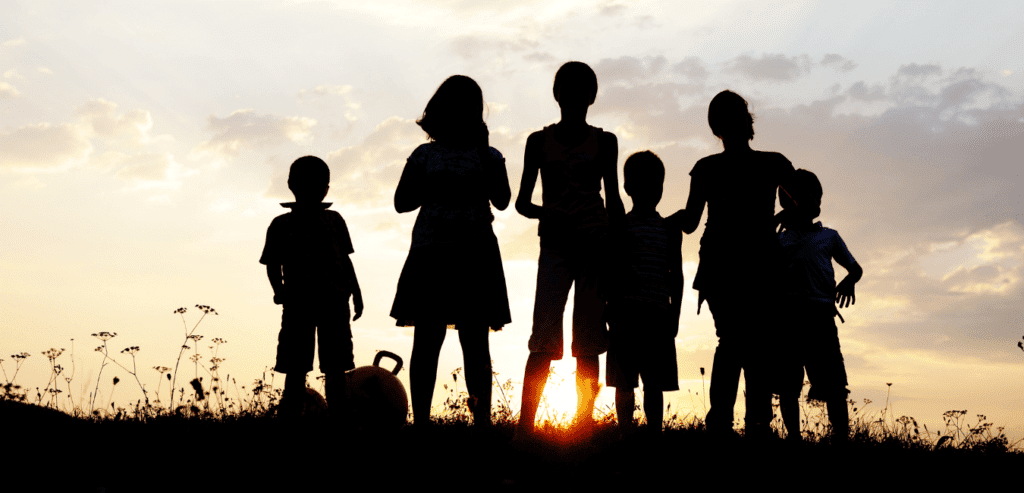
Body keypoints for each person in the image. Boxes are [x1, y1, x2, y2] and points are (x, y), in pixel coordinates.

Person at [671, 90, 794, 436]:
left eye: (738, 114)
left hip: (756, 266)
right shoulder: (753, 165)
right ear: (719, 127)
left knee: (744, 344)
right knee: (743, 343)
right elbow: (691, 220)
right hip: (726, 266)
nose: (736, 122)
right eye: (729, 117)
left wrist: (787, 211)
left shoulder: (769, 164)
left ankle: (737, 423)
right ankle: (737, 423)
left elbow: (690, 222)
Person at [390, 75, 511, 428]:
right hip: (431, 255)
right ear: (441, 111)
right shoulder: (424, 154)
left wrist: (485, 156)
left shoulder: (489, 155)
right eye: (457, 106)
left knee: (475, 343)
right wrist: (435, 184)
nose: (464, 113)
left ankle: (483, 424)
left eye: (471, 106)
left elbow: (502, 200)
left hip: (475, 256)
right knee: (428, 340)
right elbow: (401, 202)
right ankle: (422, 423)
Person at [515, 61, 625, 436]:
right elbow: (522, 202)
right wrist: (551, 214)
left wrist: (620, 244)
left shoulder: (605, 141)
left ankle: (582, 425)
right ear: (557, 93)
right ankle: (524, 428)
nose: (576, 96)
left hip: (595, 245)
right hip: (556, 245)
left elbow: (613, 199)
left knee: (588, 338)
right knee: (544, 334)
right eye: (569, 88)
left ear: (592, 96)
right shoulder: (538, 141)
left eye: (583, 90)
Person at [260, 155, 364, 419]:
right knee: (296, 368)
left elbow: (345, 261)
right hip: (298, 305)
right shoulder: (281, 224)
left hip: (334, 303)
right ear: (293, 186)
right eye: (307, 184)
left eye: (318, 184)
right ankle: (291, 418)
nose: (313, 190)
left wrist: (357, 293)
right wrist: (279, 290)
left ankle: (337, 419)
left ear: (326, 189)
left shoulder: (334, 220)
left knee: (335, 367)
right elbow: (272, 263)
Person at [775, 169, 861, 442]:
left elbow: (855, 268)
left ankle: (841, 437)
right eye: (793, 198)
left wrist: (849, 281)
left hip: (822, 317)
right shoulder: (779, 239)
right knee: (788, 384)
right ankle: (794, 437)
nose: (801, 204)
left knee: (834, 383)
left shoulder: (829, 237)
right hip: (787, 318)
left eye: (808, 197)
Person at [605, 151, 681, 436]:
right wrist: (608, 310)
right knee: (624, 382)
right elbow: (610, 269)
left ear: (662, 188)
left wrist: (675, 313)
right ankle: (625, 432)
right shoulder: (620, 225)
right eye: (643, 184)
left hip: (658, 315)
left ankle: (654, 433)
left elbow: (677, 274)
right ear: (628, 188)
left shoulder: (669, 229)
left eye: (656, 185)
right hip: (625, 313)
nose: (651, 190)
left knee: (654, 382)